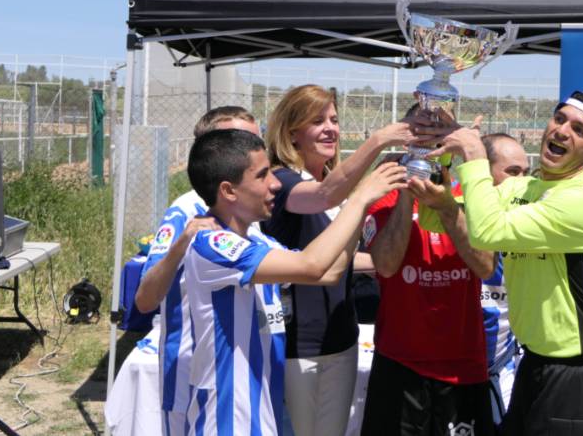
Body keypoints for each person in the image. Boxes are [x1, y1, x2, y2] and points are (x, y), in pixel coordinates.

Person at [183, 129, 407, 434]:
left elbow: (330, 271)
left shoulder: (258, 242)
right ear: (229, 191)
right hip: (227, 418)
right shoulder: (212, 244)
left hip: (260, 411)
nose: (275, 184)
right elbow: (311, 265)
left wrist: (363, 207)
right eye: (262, 176)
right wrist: (359, 198)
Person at [418, 90, 583, 436]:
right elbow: (435, 218)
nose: (562, 131)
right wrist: (444, 158)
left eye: (579, 130)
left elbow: (486, 232)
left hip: (574, 377)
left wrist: (475, 154)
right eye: (559, 119)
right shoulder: (522, 188)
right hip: (533, 365)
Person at [261, 84, 419, 436]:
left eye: (334, 119)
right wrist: (378, 141)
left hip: (341, 338)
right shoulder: (282, 181)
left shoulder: (335, 189)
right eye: (317, 121)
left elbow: (340, 261)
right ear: (292, 132)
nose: (330, 128)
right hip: (297, 345)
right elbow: (322, 196)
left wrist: (390, 261)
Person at [359, 107, 497, 436]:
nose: (430, 143)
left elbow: (485, 266)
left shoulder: (468, 193)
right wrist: (408, 194)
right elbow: (386, 265)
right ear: (407, 140)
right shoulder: (385, 194)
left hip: (463, 367)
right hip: (399, 365)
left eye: (439, 133)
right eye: (421, 134)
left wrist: (447, 208)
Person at [135, 106, 260, 435]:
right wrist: (182, 243)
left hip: (236, 372)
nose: (255, 150)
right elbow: (145, 299)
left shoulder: (252, 206)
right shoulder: (186, 210)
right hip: (191, 375)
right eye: (242, 140)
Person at [478, 133, 529, 424]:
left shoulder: (531, 224)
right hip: (449, 374)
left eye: (525, 173)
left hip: (502, 370)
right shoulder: (449, 215)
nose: (522, 182)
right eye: (513, 172)